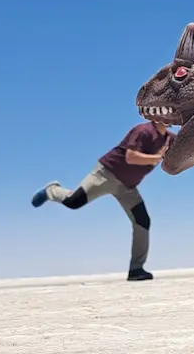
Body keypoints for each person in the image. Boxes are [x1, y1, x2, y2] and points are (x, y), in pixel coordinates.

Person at [30, 118, 174, 280]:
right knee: (74, 201)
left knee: (142, 221)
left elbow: (186, 146)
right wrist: (157, 157)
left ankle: (136, 269)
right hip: (107, 174)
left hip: (127, 187)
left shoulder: (169, 139)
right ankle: (52, 190)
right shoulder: (143, 130)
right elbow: (130, 157)